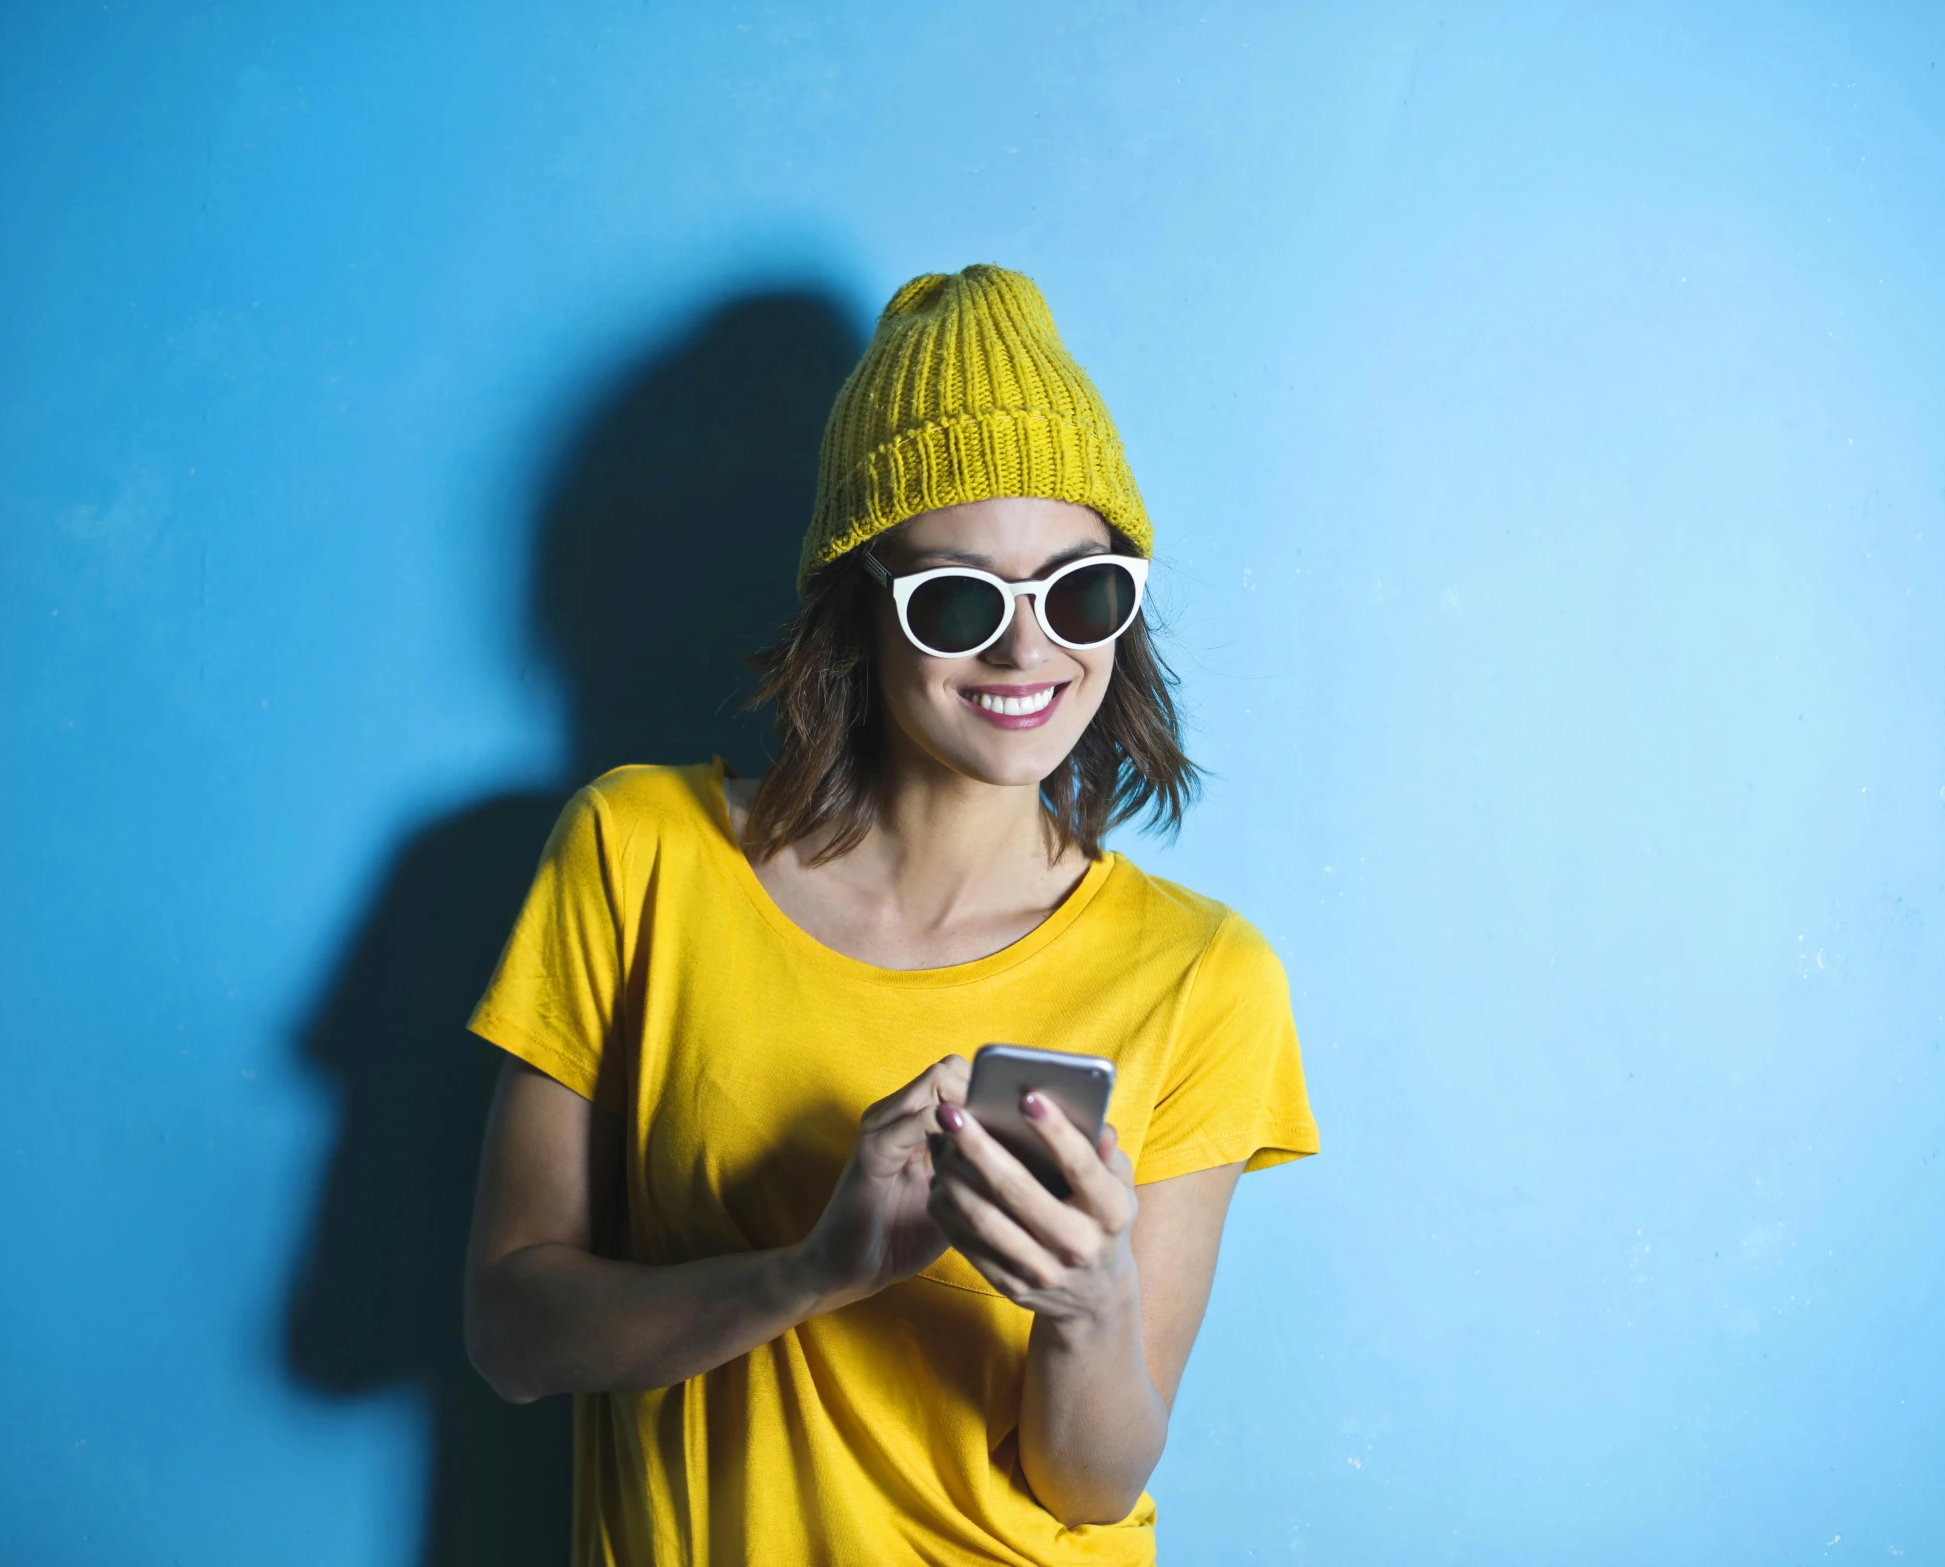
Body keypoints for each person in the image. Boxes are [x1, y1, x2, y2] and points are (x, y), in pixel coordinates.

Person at [463, 264, 1318, 1565]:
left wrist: (1088, 1299)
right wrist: (807, 1271)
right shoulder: (636, 856)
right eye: (958, 600)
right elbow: (513, 1335)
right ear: (857, 611)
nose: (1027, 652)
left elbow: (1088, 1486)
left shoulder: (1203, 975)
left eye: (1080, 591)